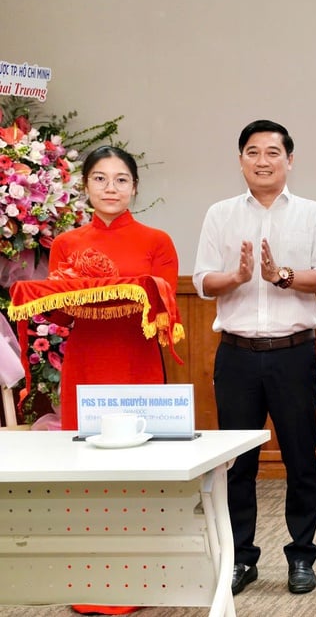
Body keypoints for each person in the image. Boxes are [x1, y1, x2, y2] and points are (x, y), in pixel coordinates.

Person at [193, 119, 316, 596]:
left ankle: (301, 557)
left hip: (292, 355)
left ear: (289, 160)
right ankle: (241, 559)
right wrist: (235, 277)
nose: (262, 161)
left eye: (272, 152)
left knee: (301, 459)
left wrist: (283, 276)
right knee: (237, 465)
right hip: (236, 356)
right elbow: (201, 280)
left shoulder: (313, 213)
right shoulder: (220, 214)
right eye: (252, 152)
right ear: (240, 161)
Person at [49, 146, 180, 617]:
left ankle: (140, 577)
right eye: (100, 179)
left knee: (136, 469)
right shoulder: (65, 244)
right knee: (84, 468)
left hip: (136, 361)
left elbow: (165, 306)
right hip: (86, 362)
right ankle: (88, 580)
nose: (110, 188)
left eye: (120, 180)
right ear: (85, 186)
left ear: (135, 187)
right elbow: (60, 311)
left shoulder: (156, 240)